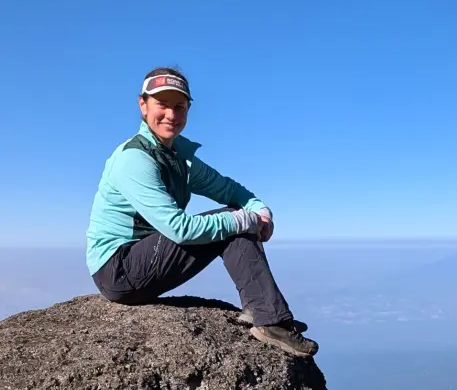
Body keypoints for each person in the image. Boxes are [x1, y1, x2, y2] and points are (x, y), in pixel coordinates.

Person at [85, 66, 318, 357]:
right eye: (162, 105)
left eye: (179, 107)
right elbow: (179, 229)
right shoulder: (134, 159)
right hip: (118, 270)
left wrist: (261, 210)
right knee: (233, 222)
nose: (171, 114)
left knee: (234, 218)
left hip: (141, 260)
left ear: (188, 110)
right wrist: (244, 219)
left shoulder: (180, 158)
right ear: (143, 105)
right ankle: (268, 317)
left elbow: (231, 190)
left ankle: (262, 310)